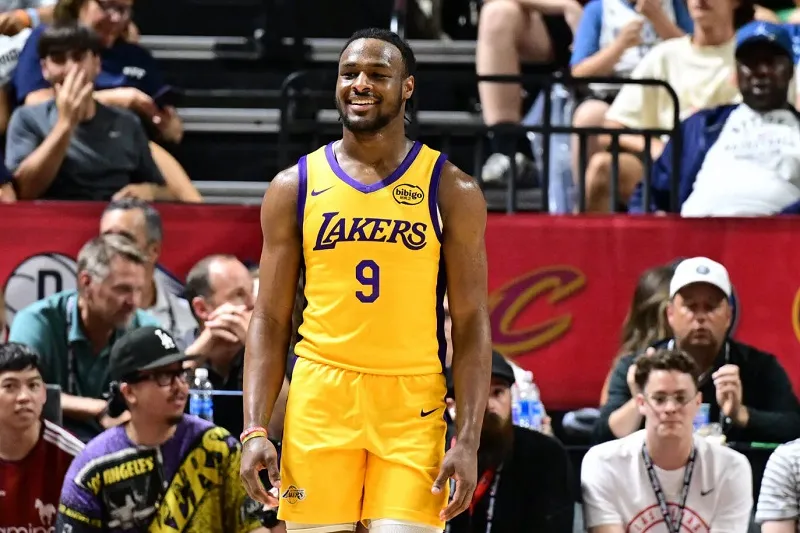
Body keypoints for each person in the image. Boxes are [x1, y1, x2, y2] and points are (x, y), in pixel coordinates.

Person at [240, 27, 492, 533]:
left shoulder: (452, 189)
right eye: (349, 73)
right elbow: (268, 317)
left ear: (407, 88)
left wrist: (467, 440)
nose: (361, 83)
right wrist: (254, 429)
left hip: (412, 400)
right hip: (320, 395)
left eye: (378, 74)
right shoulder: (294, 186)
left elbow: (470, 324)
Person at [55, 326, 270, 533]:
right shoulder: (93, 468)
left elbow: (254, 526)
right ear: (129, 392)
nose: (180, 386)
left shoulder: (218, 447)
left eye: (181, 374)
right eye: (164, 377)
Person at [594, 256, 800, 444]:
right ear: (670, 314)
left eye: (710, 307)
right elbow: (600, 437)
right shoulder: (639, 365)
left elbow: (794, 426)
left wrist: (741, 414)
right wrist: (641, 399)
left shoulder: (758, 366)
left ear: (728, 315)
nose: (700, 317)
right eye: (691, 306)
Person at [629, 21, 800, 216]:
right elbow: (649, 193)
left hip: (778, 237)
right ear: (736, 72)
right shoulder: (701, 126)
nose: (760, 71)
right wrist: (655, 225)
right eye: (750, 63)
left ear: (790, 71)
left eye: (771, 62)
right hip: (696, 234)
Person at [8, 233, 160, 442]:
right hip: (49, 447)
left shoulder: (145, 328)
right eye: (122, 289)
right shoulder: (37, 322)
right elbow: (18, 395)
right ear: (86, 282)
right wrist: (99, 409)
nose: (133, 302)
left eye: (138, 290)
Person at [582, 348, 753, 532]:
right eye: (659, 398)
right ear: (641, 403)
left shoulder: (730, 467)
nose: (670, 408)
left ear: (697, 402)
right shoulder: (604, 463)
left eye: (681, 398)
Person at [444, 351, 574, 533]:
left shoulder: (544, 454)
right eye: (476, 394)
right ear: (452, 405)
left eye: (498, 392)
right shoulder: (431, 451)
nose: (489, 404)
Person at [0, 342, 84, 530]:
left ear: (44, 394)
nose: (24, 396)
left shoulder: (76, 459)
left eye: (33, 385)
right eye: (10, 386)